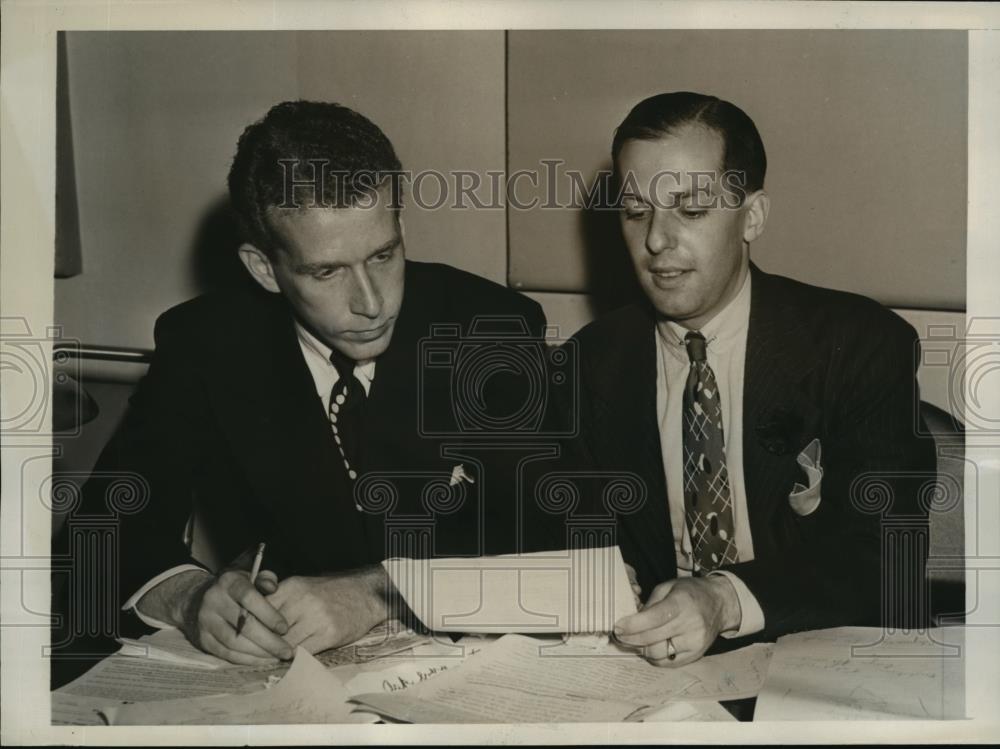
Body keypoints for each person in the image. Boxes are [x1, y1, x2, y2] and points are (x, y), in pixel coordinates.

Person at [52, 101, 552, 680]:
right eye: (327, 272)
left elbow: (562, 549)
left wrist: (380, 593)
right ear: (264, 268)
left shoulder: (492, 326)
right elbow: (99, 534)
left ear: (401, 227)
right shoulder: (206, 343)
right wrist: (189, 598)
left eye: (383, 255)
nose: (372, 302)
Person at [568, 92, 936, 666]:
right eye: (636, 212)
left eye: (690, 210)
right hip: (661, 678)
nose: (656, 241)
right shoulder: (591, 361)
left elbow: (887, 561)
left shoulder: (859, 344)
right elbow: (576, 541)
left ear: (753, 217)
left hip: (832, 660)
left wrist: (722, 599)